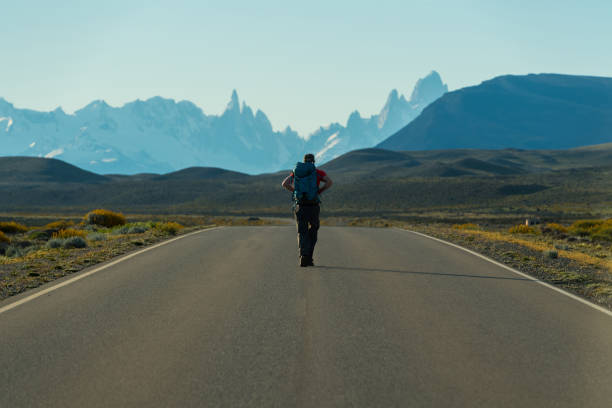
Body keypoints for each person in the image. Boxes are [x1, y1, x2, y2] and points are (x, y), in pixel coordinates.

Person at [281, 153, 333, 267]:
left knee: (302, 231)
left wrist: (295, 191)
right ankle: (309, 257)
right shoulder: (318, 172)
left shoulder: (296, 172)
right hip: (314, 205)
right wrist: (319, 191)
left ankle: (303, 256)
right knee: (313, 229)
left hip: (300, 205)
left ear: (304, 161)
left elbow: (284, 183)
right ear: (313, 161)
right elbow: (329, 182)